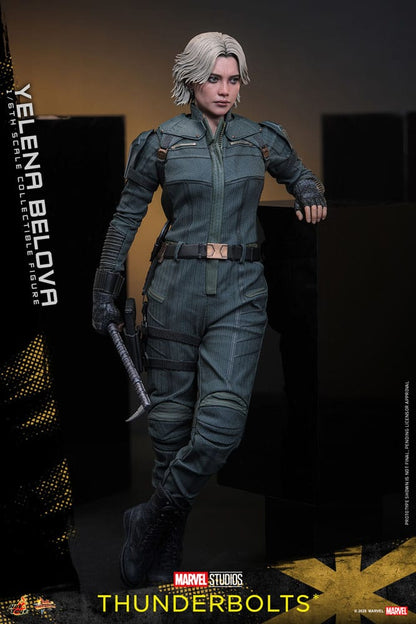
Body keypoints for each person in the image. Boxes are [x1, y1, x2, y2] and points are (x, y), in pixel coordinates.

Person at [92, 31, 327, 588]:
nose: (224, 89)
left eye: (233, 79)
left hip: (241, 295)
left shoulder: (259, 140)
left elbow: (300, 175)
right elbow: (126, 217)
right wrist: (104, 287)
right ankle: (164, 548)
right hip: (173, 292)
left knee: (220, 428)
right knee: (170, 431)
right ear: (191, 80)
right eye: (212, 78)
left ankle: (150, 517)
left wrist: (310, 192)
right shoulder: (162, 143)